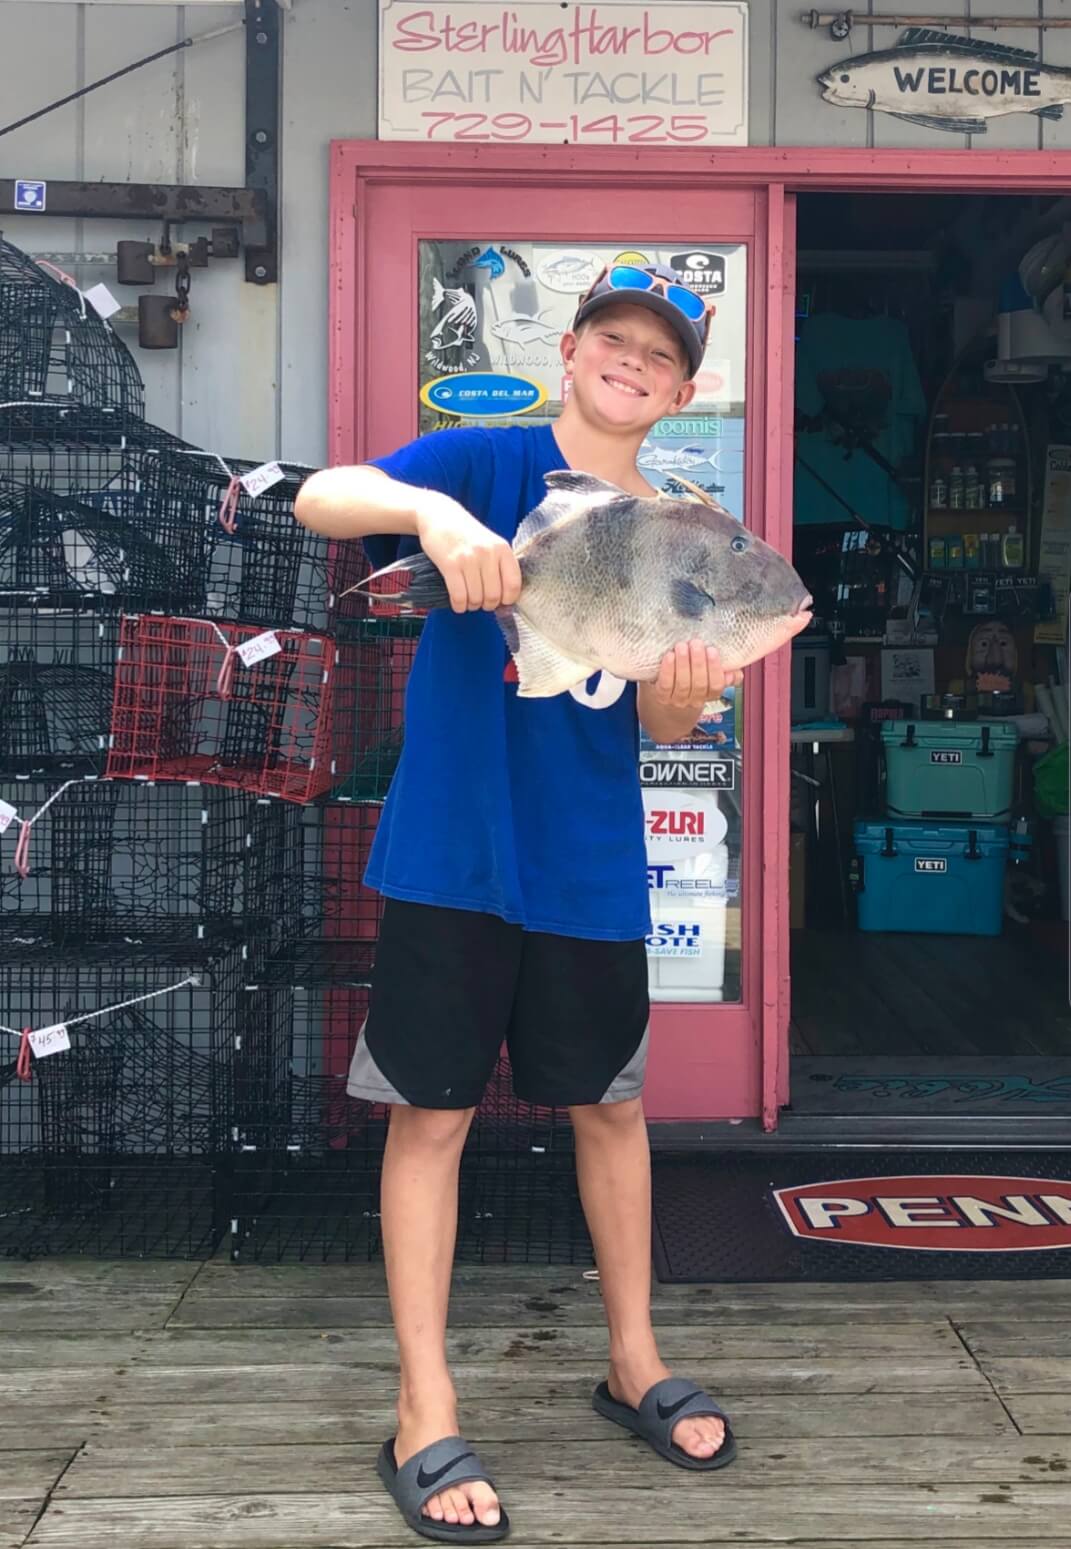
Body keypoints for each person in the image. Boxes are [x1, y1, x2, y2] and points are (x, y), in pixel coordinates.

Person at [294, 263, 740, 1544]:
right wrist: (435, 523)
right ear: (572, 353)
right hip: (450, 850)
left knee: (612, 1107)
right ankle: (423, 1404)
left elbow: (661, 715)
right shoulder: (485, 464)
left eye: (658, 357)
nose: (631, 364)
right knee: (428, 1119)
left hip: (590, 859)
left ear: (682, 389)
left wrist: (684, 690)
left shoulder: (687, 528)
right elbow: (330, 497)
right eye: (613, 339)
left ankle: (633, 1359)